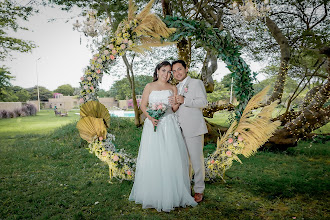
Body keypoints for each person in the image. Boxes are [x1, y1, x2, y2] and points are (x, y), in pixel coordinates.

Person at [129, 61, 197, 212]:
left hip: (169, 124)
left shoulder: (173, 88)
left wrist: (178, 102)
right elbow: (142, 106)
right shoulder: (149, 86)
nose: (166, 74)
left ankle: (172, 193)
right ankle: (153, 193)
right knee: (153, 157)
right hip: (153, 125)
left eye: (169, 72)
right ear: (158, 71)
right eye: (164, 71)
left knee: (170, 156)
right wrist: (150, 118)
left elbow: (173, 108)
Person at [169, 60, 208, 203]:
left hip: (194, 128)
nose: (177, 73)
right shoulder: (175, 87)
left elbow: (203, 102)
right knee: (184, 162)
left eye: (179, 69)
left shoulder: (196, 83)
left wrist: (185, 100)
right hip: (178, 129)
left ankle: (199, 190)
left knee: (197, 162)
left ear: (186, 69)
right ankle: (185, 189)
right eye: (174, 71)